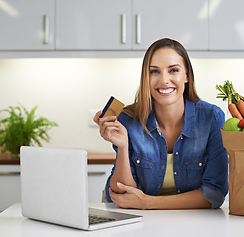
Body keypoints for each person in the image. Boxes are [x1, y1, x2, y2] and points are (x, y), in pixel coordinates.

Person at [94, 38, 228, 210]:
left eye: (173, 70)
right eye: (154, 71)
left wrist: (148, 203)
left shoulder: (212, 118)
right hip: (141, 222)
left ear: (186, 76)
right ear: (146, 77)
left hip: (194, 222)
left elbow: (214, 194)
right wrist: (122, 146)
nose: (164, 80)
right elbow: (122, 196)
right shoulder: (128, 120)